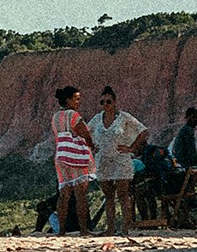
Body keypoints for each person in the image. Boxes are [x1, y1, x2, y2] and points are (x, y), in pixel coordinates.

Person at [86, 84, 145, 233]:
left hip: (121, 159)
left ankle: (125, 228)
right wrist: (92, 146)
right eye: (102, 102)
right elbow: (86, 132)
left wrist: (131, 148)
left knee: (123, 194)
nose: (105, 105)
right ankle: (110, 228)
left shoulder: (124, 117)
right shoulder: (97, 118)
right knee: (108, 195)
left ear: (115, 102)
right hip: (103, 159)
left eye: (108, 101)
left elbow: (143, 131)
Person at [50, 85, 94, 233]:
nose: (78, 102)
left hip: (60, 155)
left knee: (64, 195)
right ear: (68, 100)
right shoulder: (74, 116)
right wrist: (91, 145)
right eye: (76, 99)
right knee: (80, 195)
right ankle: (83, 229)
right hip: (75, 156)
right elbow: (85, 134)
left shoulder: (56, 117)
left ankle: (61, 230)